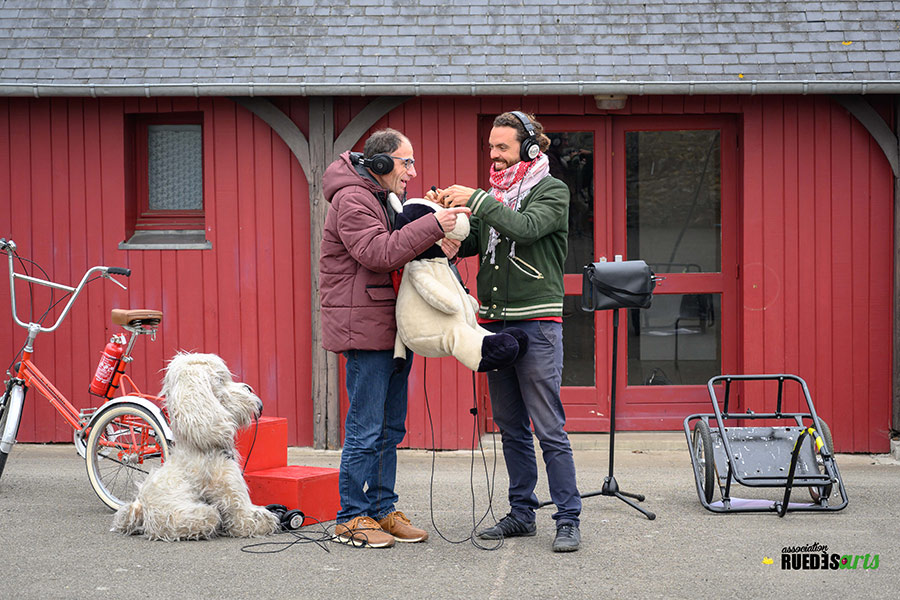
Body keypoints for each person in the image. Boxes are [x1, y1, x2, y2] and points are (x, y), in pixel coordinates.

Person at [436, 111, 582, 552]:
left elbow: (527, 227)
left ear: (531, 147)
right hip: (496, 323)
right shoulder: (498, 195)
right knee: (511, 426)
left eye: (502, 147)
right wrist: (445, 224)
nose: (494, 155)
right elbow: (479, 239)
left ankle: (568, 518)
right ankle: (522, 513)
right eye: (491, 148)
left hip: (537, 322)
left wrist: (478, 200)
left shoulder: (552, 190)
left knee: (549, 428)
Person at [319, 128, 469, 548]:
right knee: (365, 429)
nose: (413, 172)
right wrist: (432, 224)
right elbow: (378, 252)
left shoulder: (382, 197)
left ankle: (382, 511)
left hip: (391, 328)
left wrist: (439, 244)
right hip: (367, 331)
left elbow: (401, 250)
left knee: (389, 428)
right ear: (381, 163)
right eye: (407, 163)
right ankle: (351, 516)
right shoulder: (352, 199)